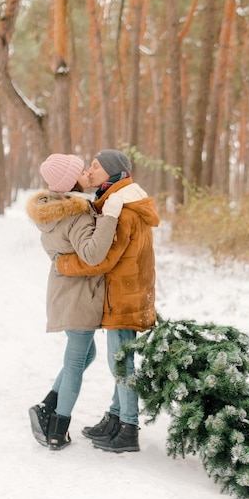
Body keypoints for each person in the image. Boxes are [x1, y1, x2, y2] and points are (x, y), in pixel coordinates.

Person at [56, 149, 160, 453]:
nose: (90, 169)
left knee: (121, 363)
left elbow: (101, 259)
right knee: (120, 359)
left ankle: (128, 428)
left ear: (113, 173)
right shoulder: (121, 200)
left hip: (123, 295)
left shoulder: (124, 209)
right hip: (126, 291)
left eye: (96, 166)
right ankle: (115, 418)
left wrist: (64, 264)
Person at [27, 153, 124, 450]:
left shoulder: (51, 211)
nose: (85, 171)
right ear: (71, 181)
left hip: (62, 294)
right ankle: (58, 428)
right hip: (79, 297)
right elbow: (93, 254)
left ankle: (48, 405)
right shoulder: (77, 214)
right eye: (80, 170)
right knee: (74, 362)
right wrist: (110, 218)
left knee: (85, 356)